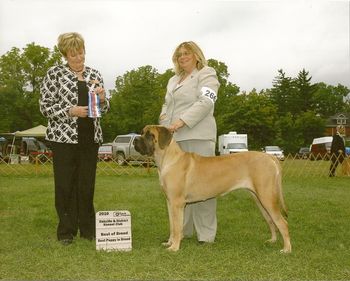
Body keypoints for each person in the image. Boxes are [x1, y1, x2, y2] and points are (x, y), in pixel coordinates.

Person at [39, 32, 109, 245]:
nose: (79, 59)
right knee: (65, 185)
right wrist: (71, 111)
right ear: (65, 55)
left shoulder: (94, 74)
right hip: (63, 140)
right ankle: (66, 231)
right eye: (73, 55)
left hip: (90, 139)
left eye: (81, 53)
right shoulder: (54, 74)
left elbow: (103, 109)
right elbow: (45, 106)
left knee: (86, 185)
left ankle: (88, 229)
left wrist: (104, 99)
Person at [159, 41, 220, 243]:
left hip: (199, 135)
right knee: (179, 190)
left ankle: (206, 234)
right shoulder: (173, 80)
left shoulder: (207, 73)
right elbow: (167, 105)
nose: (182, 57)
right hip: (175, 139)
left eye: (186, 53)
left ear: (196, 55)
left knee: (206, 188)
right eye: (179, 55)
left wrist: (181, 121)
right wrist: (163, 123)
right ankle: (181, 232)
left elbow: (206, 102)